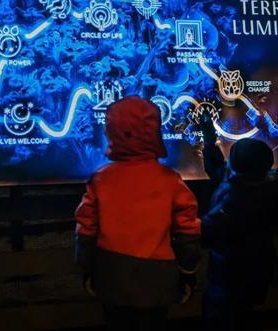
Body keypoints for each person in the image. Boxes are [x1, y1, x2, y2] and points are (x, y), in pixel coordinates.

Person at [74, 96, 202, 331]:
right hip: (158, 279)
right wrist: (188, 272)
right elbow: (188, 231)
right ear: (154, 131)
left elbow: (86, 230)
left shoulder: (100, 180)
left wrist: (87, 269)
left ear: (111, 131)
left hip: (112, 276)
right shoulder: (170, 181)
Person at [200, 119, 278, 331]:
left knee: (224, 318)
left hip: (231, 274)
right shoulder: (260, 187)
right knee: (243, 314)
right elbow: (217, 168)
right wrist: (209, 140)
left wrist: (188, 232)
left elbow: (209, 230)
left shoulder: (236, 198)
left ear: (239, 166)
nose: (228, 161)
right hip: (257, 268)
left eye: (232, 157)